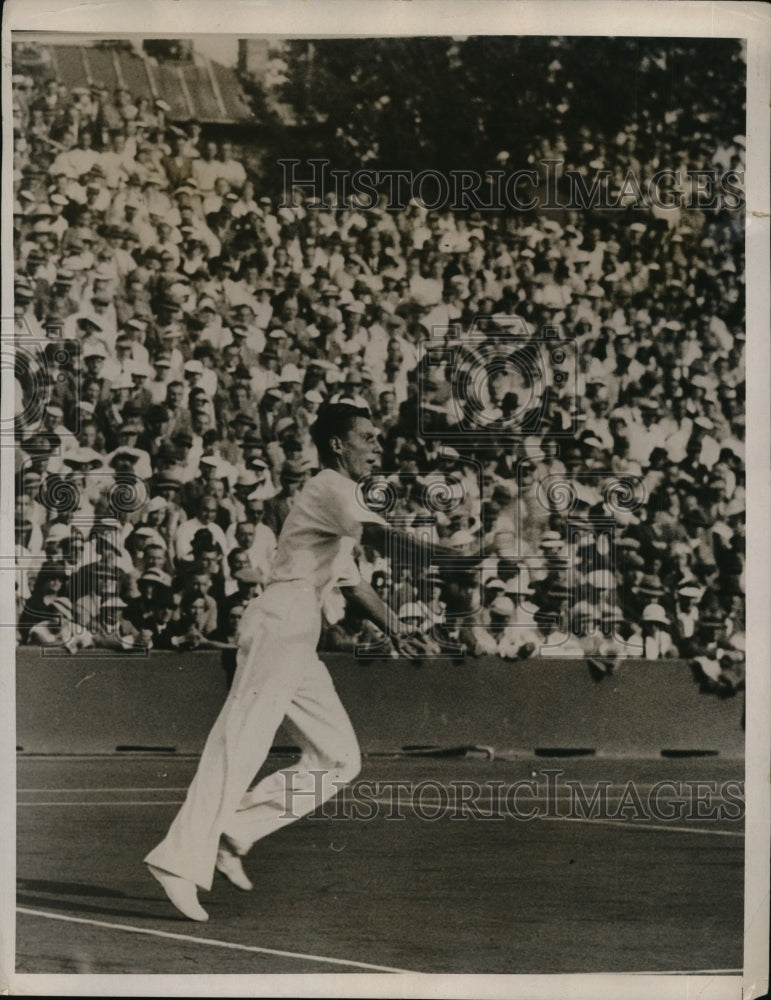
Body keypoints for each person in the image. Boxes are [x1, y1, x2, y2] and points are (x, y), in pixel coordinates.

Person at [144, 403, 429, 921]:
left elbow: (352, 581)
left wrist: (397, 628)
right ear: (338, 445)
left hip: (300, 632)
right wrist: (443, 553)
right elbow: (383, 537)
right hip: (281, 620)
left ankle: (234, 831)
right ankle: (178, 862)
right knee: (241, 741)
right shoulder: (330, 487)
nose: (377, 445)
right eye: (367, 437)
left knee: (338, 757)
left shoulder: (336, 504)